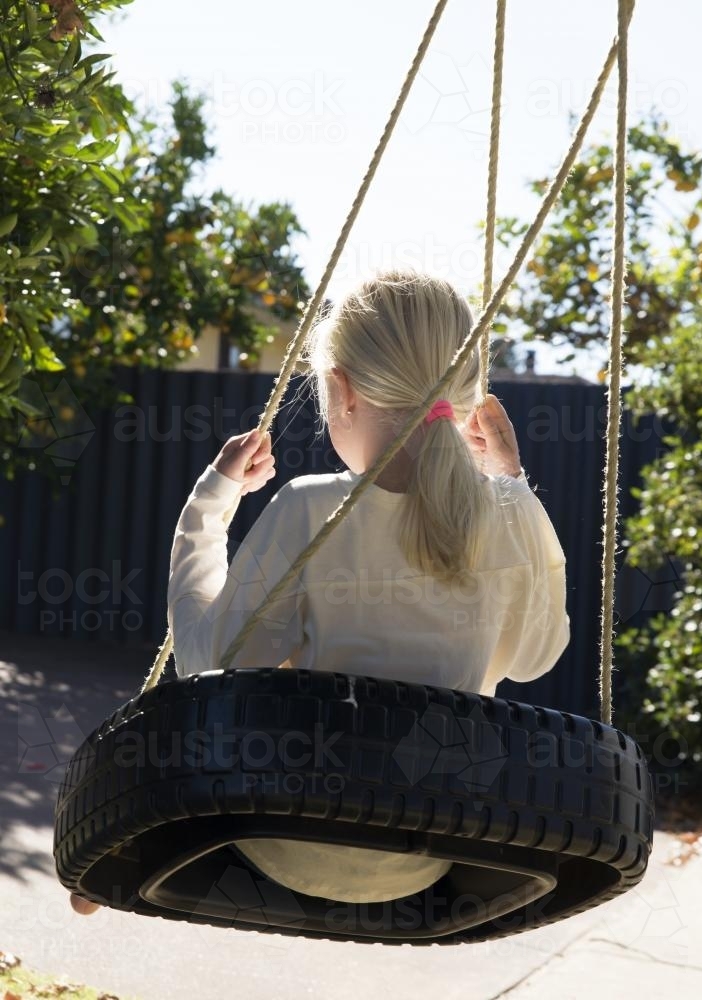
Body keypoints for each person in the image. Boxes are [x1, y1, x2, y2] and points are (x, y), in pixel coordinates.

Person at [71, 268, 569, 914]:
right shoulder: (506, 514)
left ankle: (103, 873)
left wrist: (209, 507)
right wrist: (511, 482)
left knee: (183, 726)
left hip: (288, 835)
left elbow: (206, 663)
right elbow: (537, 655)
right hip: (427, 857)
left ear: (341, 391)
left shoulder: (312, 512)